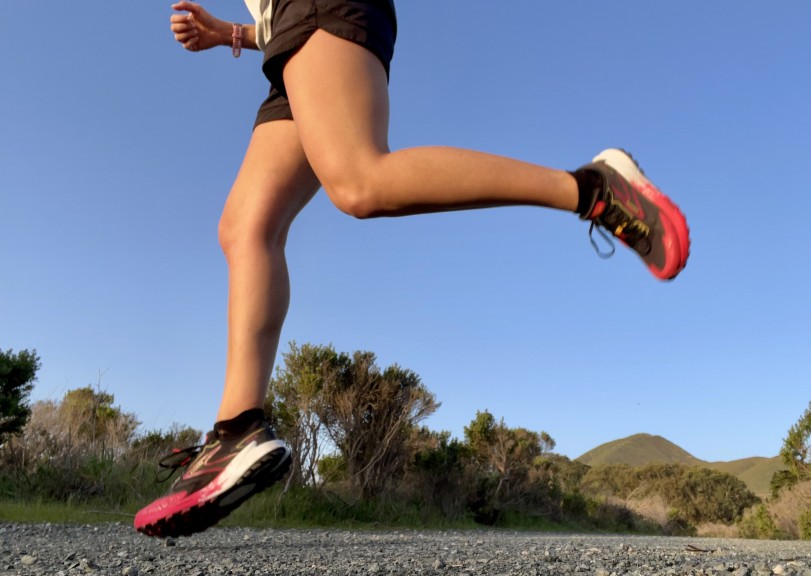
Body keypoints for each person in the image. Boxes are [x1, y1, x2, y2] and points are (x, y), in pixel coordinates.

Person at [134, 0, 691, 538]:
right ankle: (236, 429)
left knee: (358, 179)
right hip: (292, 26)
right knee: (246, 227)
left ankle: (592, 189)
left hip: (316, 10)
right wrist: (232, 34)